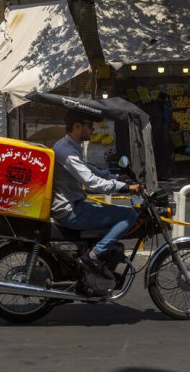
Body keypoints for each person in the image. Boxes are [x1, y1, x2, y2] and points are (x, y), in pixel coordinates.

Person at [51, 109, 140, 279]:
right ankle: (94, 256)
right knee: (129, 214)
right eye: (90, 126)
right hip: (70, 211)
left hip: (75, 205)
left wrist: (115, 177)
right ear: (77, 126)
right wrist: (125, 188)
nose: (93, 130)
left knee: (111, 211)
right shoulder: (66, 152)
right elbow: (90, 181)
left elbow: (91, 170)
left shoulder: (69, 147)